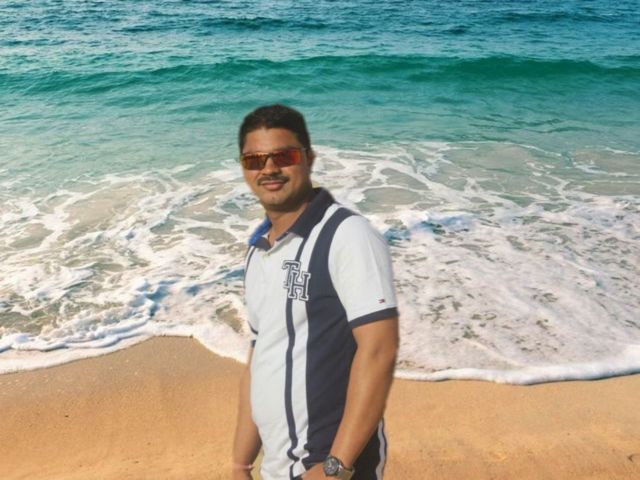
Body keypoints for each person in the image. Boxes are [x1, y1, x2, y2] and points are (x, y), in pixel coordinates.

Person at [231, 104, 399, 480]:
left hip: (327, 464)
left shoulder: (347, 234)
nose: (268, 168)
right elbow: (260, 357)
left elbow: (379, 349)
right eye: (254, 160)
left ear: (309, 158)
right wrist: (241, 463)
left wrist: (337, 466)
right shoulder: (258, 251)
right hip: (276, 467)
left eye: (283, 156)